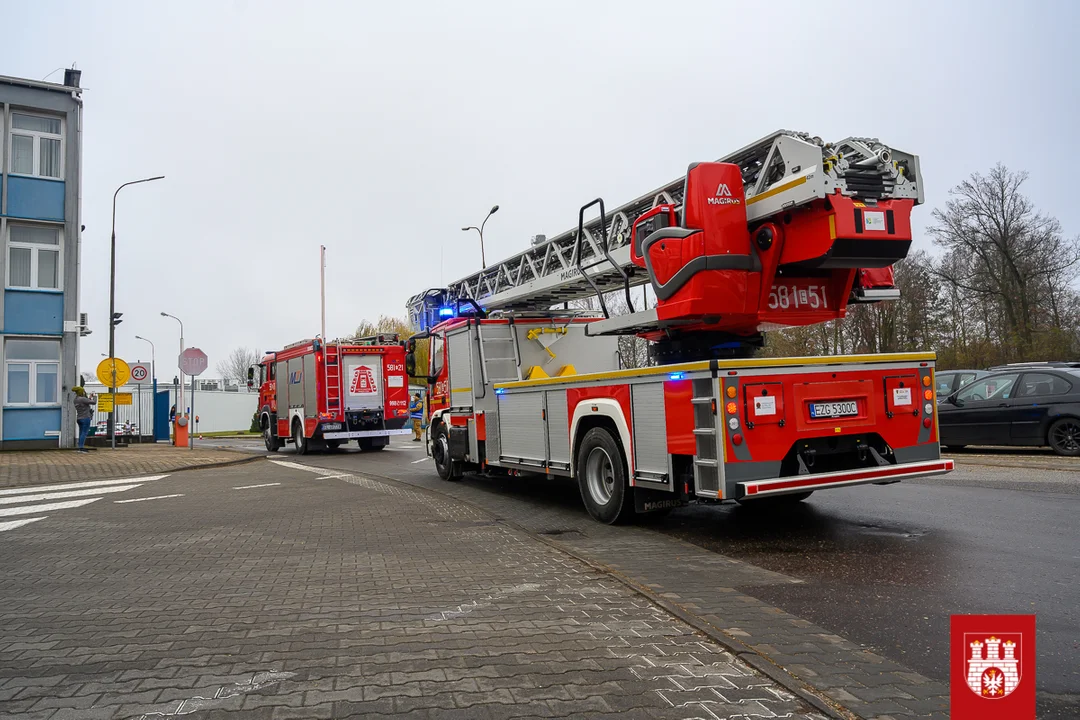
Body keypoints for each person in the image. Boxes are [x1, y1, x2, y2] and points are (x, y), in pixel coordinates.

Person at [72, 387, 96, 453]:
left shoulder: (76, 400)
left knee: (81, 433)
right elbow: (94, 402)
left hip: (79, 418)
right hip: (85, 418)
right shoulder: (82, 399)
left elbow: (86, 402)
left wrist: (89, 397)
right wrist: (94, 396)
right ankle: (81, 447)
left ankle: (80, 447)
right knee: (84, 433)